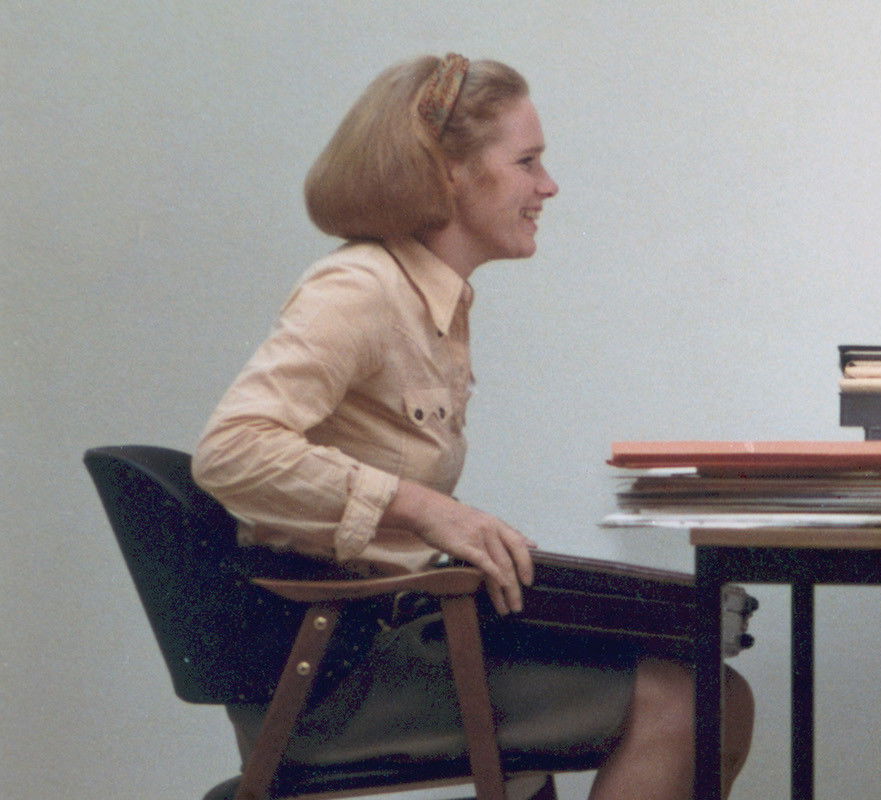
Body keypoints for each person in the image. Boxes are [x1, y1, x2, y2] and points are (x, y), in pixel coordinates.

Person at [192, 53, 753, 799]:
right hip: (339, 672)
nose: (547, 186)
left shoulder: (433, 301)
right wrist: (426, 509)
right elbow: (231, 452)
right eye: (527, 162)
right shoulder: (358, 290)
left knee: (707, 684)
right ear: (449, 173)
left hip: (387, 637)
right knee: (699, 701)